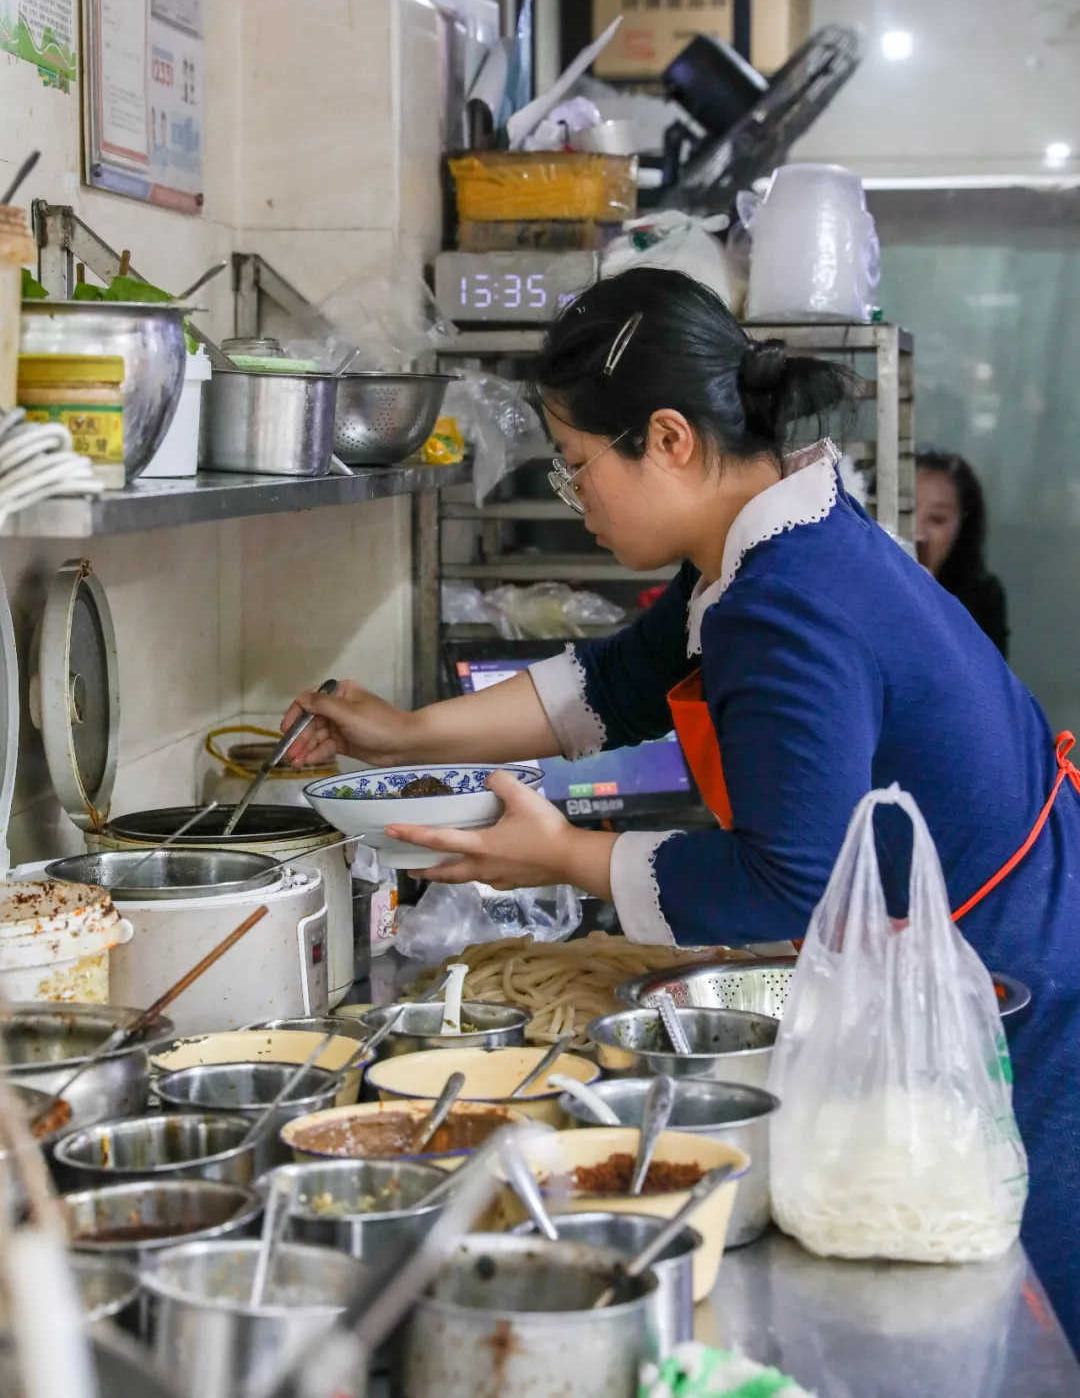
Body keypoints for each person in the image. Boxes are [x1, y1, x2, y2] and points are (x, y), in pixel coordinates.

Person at [285, 266, 1080, 1348]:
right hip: (971, 950)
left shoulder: (785, 601)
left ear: (666, 439)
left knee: (1003, 1307)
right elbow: (610, 685)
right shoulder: (763, 544)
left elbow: (785, 876)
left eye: (576, 470)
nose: (579, 502)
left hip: (1011, 996)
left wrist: (566, 855)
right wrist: (408, 733)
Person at [916, 449, 1009, 657]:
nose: (918, 532)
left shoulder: (982, 597)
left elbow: (987, 685)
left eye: (938, 519)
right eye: (904, 511)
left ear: (963, 526)